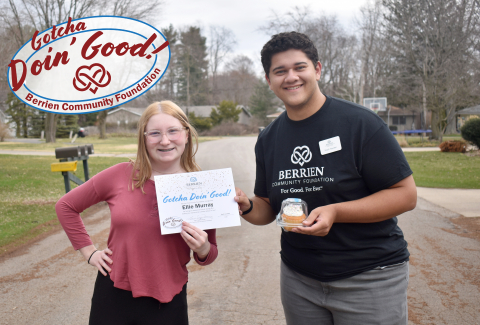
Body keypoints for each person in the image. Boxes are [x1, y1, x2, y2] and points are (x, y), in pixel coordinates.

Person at [235, 32, 417, 325]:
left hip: (369, 275)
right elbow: (268, 207)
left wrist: (336, 211)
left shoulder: (359, 123)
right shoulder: (269, 138)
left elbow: (405, 195)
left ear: (317, 69)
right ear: (269, 81)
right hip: (299, 279)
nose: (291, 77)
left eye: (300, 67)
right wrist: (245, 206)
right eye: (280, 71)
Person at [56, 101, 218, 325]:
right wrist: (90, 253)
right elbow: (66, 206)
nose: (164, 140)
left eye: (173, 131)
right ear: (144, 138)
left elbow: (209, 253)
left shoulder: (200, 187)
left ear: (187, 134)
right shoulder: (120, 174)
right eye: (155, 133)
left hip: (168, 300)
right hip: (114, 294)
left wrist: (202, 248)